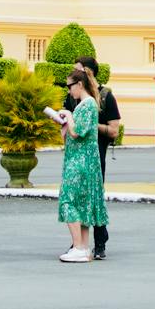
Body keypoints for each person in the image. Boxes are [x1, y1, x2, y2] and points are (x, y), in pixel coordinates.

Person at [49, 66, 106, 262]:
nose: (69, 90)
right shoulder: (85, 105)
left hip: (80, 161)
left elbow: (77, 132)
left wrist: (69, 116)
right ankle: (82, 247)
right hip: (81, 160)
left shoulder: (87, 104)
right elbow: (72, 133)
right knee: (81, 203)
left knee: (68, 201)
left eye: (70, 86)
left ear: (79, 84)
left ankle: (79, 246)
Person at [76, 54, 121, 259]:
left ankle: (100, 240)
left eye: (78, 70)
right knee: (77, 197)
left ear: (89, 72)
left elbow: (113, 131)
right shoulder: (73, 95)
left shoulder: (105, 96)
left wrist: (91, 125)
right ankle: (79, 242)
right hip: (77, 155)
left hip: (96, 154)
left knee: (94, 196)